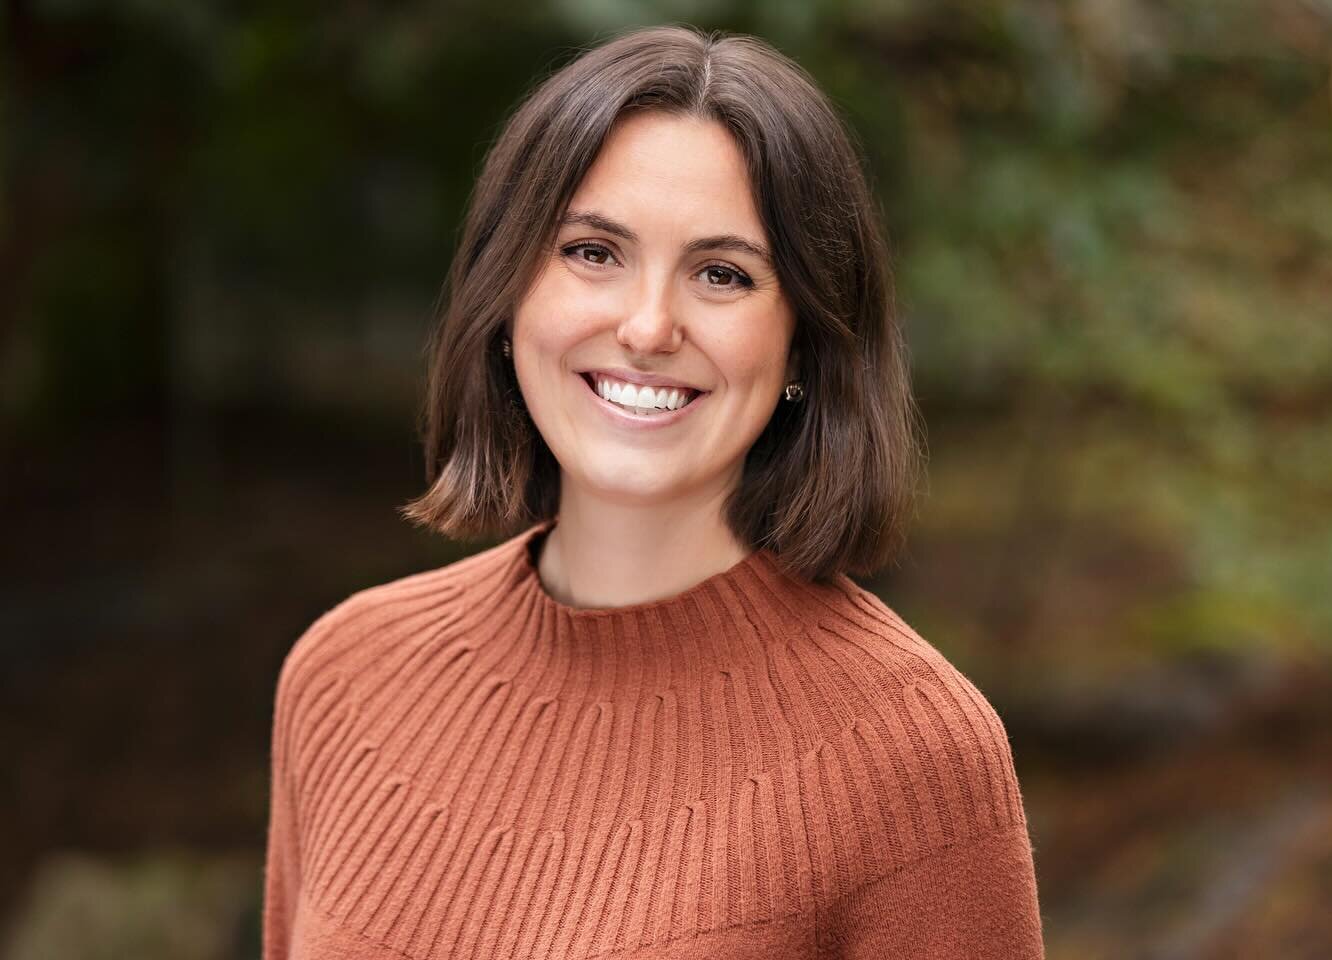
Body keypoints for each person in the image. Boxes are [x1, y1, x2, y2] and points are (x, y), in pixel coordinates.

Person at [262, 23, 1045, 960]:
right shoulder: (344, 676)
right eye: (594, 252)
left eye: (722, 274)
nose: (647, 326)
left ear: (804, 342)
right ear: (507, 297)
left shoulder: (914, 759)